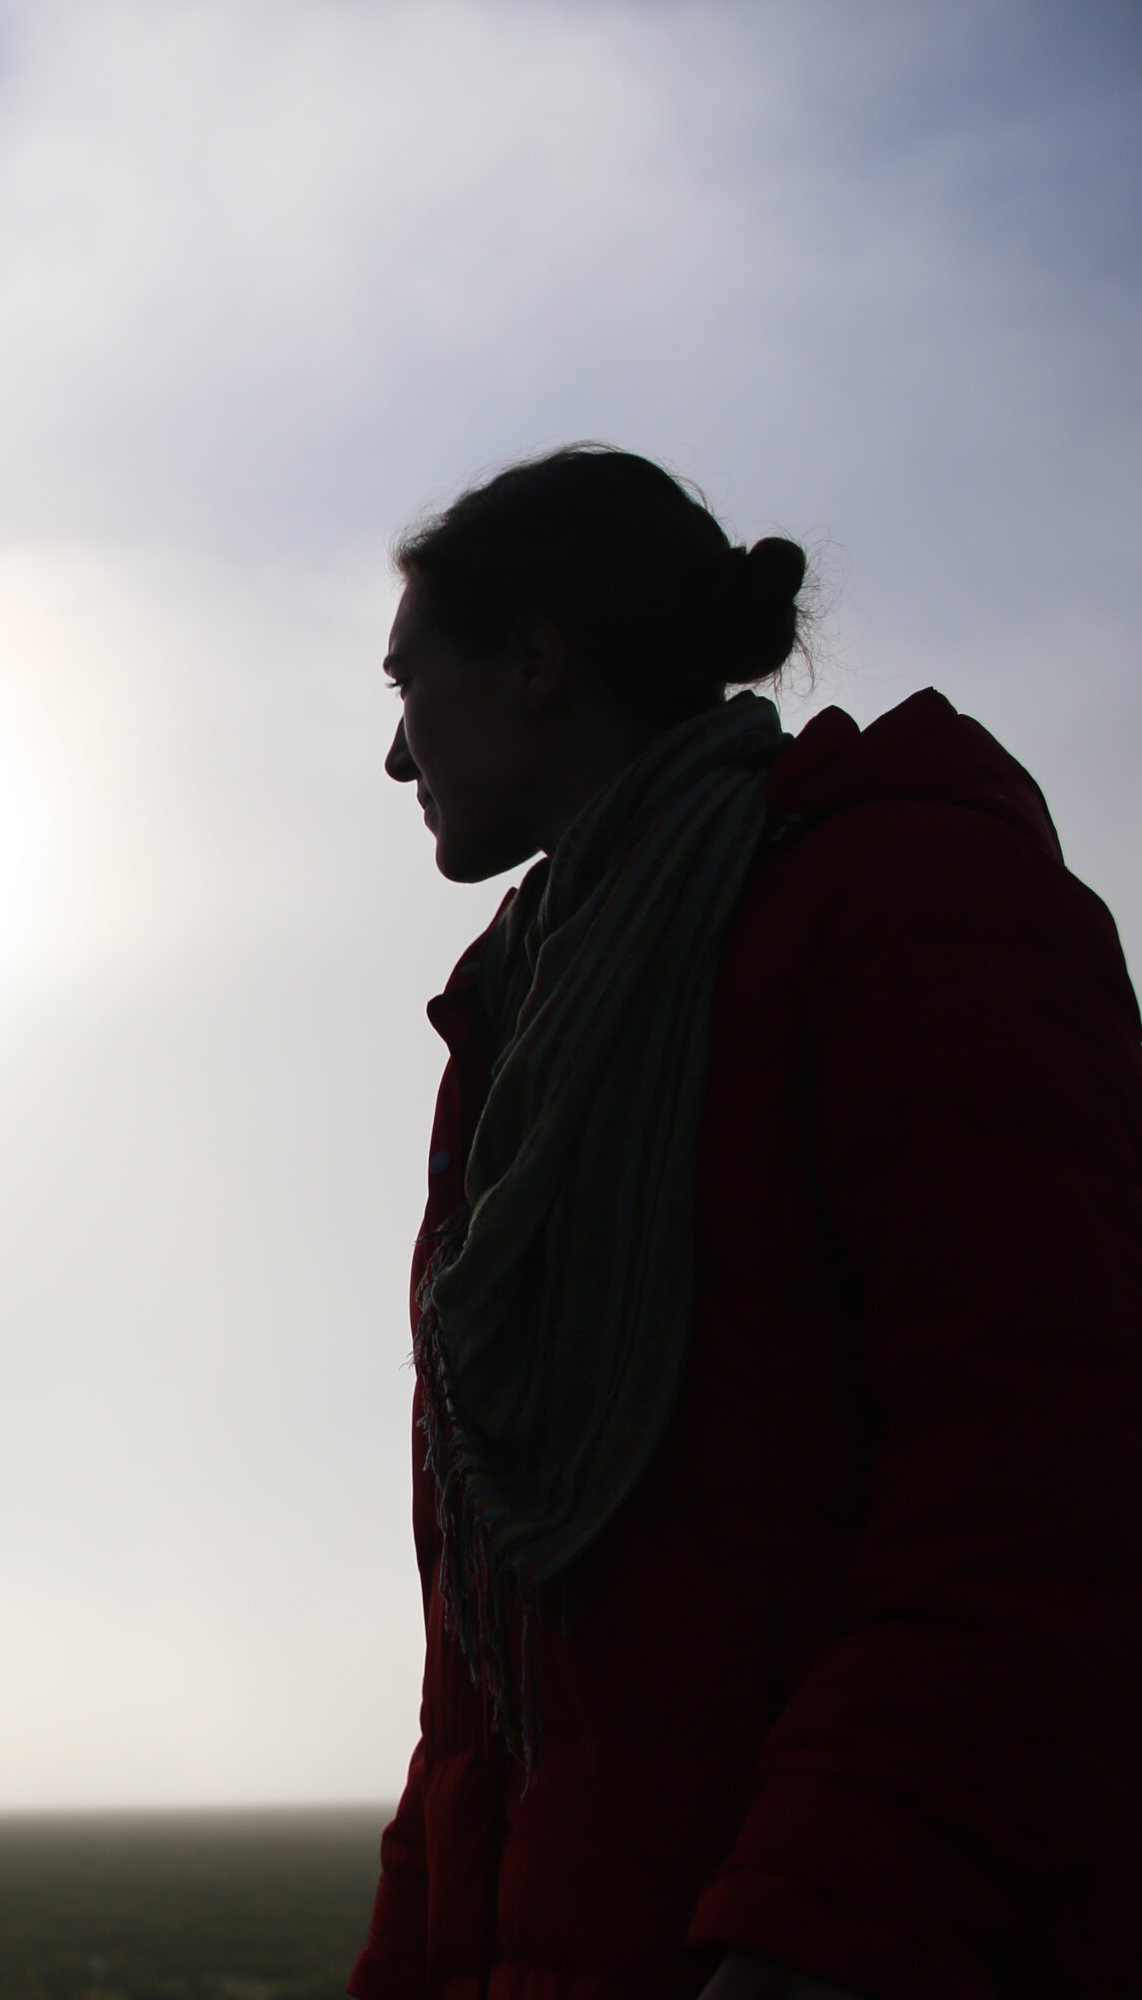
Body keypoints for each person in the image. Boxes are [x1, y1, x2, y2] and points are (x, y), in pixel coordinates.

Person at [348, 445, 1142, 2000]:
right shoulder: (521, 1024)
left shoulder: (913, 905)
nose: (393, 755)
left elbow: (1050, 1477)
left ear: (534, 661)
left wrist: (819, 1929)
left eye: (408, 682)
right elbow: (491, 1658)